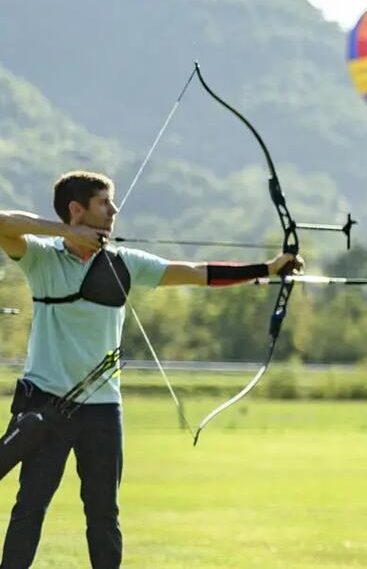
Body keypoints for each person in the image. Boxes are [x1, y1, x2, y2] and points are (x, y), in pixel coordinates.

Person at [0, 171, 301, 569]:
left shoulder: (125, 263)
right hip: (46, 405)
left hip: (102, 410)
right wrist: (65, 233)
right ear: (77, 209)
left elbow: (196, 273)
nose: (114, 210)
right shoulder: (42, 258)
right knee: (30, 510)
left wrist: (265, 267)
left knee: (104, 517)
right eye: (104, 202)